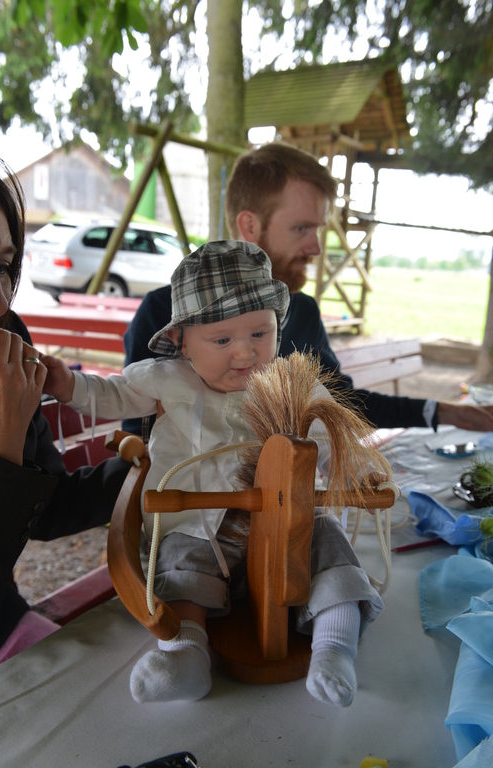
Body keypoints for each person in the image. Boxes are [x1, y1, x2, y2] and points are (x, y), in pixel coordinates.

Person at [43, 241, 391, 708]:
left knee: (329, 543)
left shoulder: (291, 384)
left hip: (287, 523)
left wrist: (361, 473)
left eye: (260, 333)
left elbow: (333, 438)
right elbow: (113, 395)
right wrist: (68, 384)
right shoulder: (168, 379)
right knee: (179, 560)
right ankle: (186, 654)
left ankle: (335, 646)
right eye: (222, 340)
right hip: (200, 523)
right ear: (183, 341)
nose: (246, 352)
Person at [122, 140, 493, 437]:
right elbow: (138, 442)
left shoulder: (302, 310)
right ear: (250, 226)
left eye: (317, 230)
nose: (316, 247)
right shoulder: (165, 315)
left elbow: (341, 403)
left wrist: (444, 412)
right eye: (301, 228)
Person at [0, 149, 130, 674]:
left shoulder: (4, 344)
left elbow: (46, 506)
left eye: (3, 266)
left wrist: (158, 466)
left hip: (7, 630)